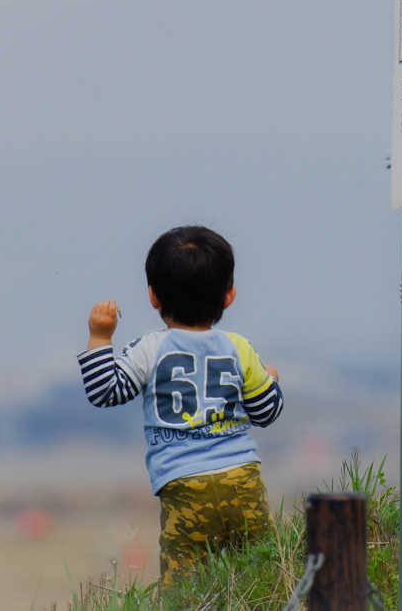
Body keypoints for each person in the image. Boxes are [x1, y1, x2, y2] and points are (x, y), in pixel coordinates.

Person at [77, 225, 283, 581]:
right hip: (241, 477)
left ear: (153, 296)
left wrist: (100, 337)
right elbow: (266, 413)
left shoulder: (150, 348)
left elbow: (104, 391)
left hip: (183, 482)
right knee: (259, 572)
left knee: (184, 583)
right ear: (229, 295)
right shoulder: (239, 348)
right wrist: (272, 381)